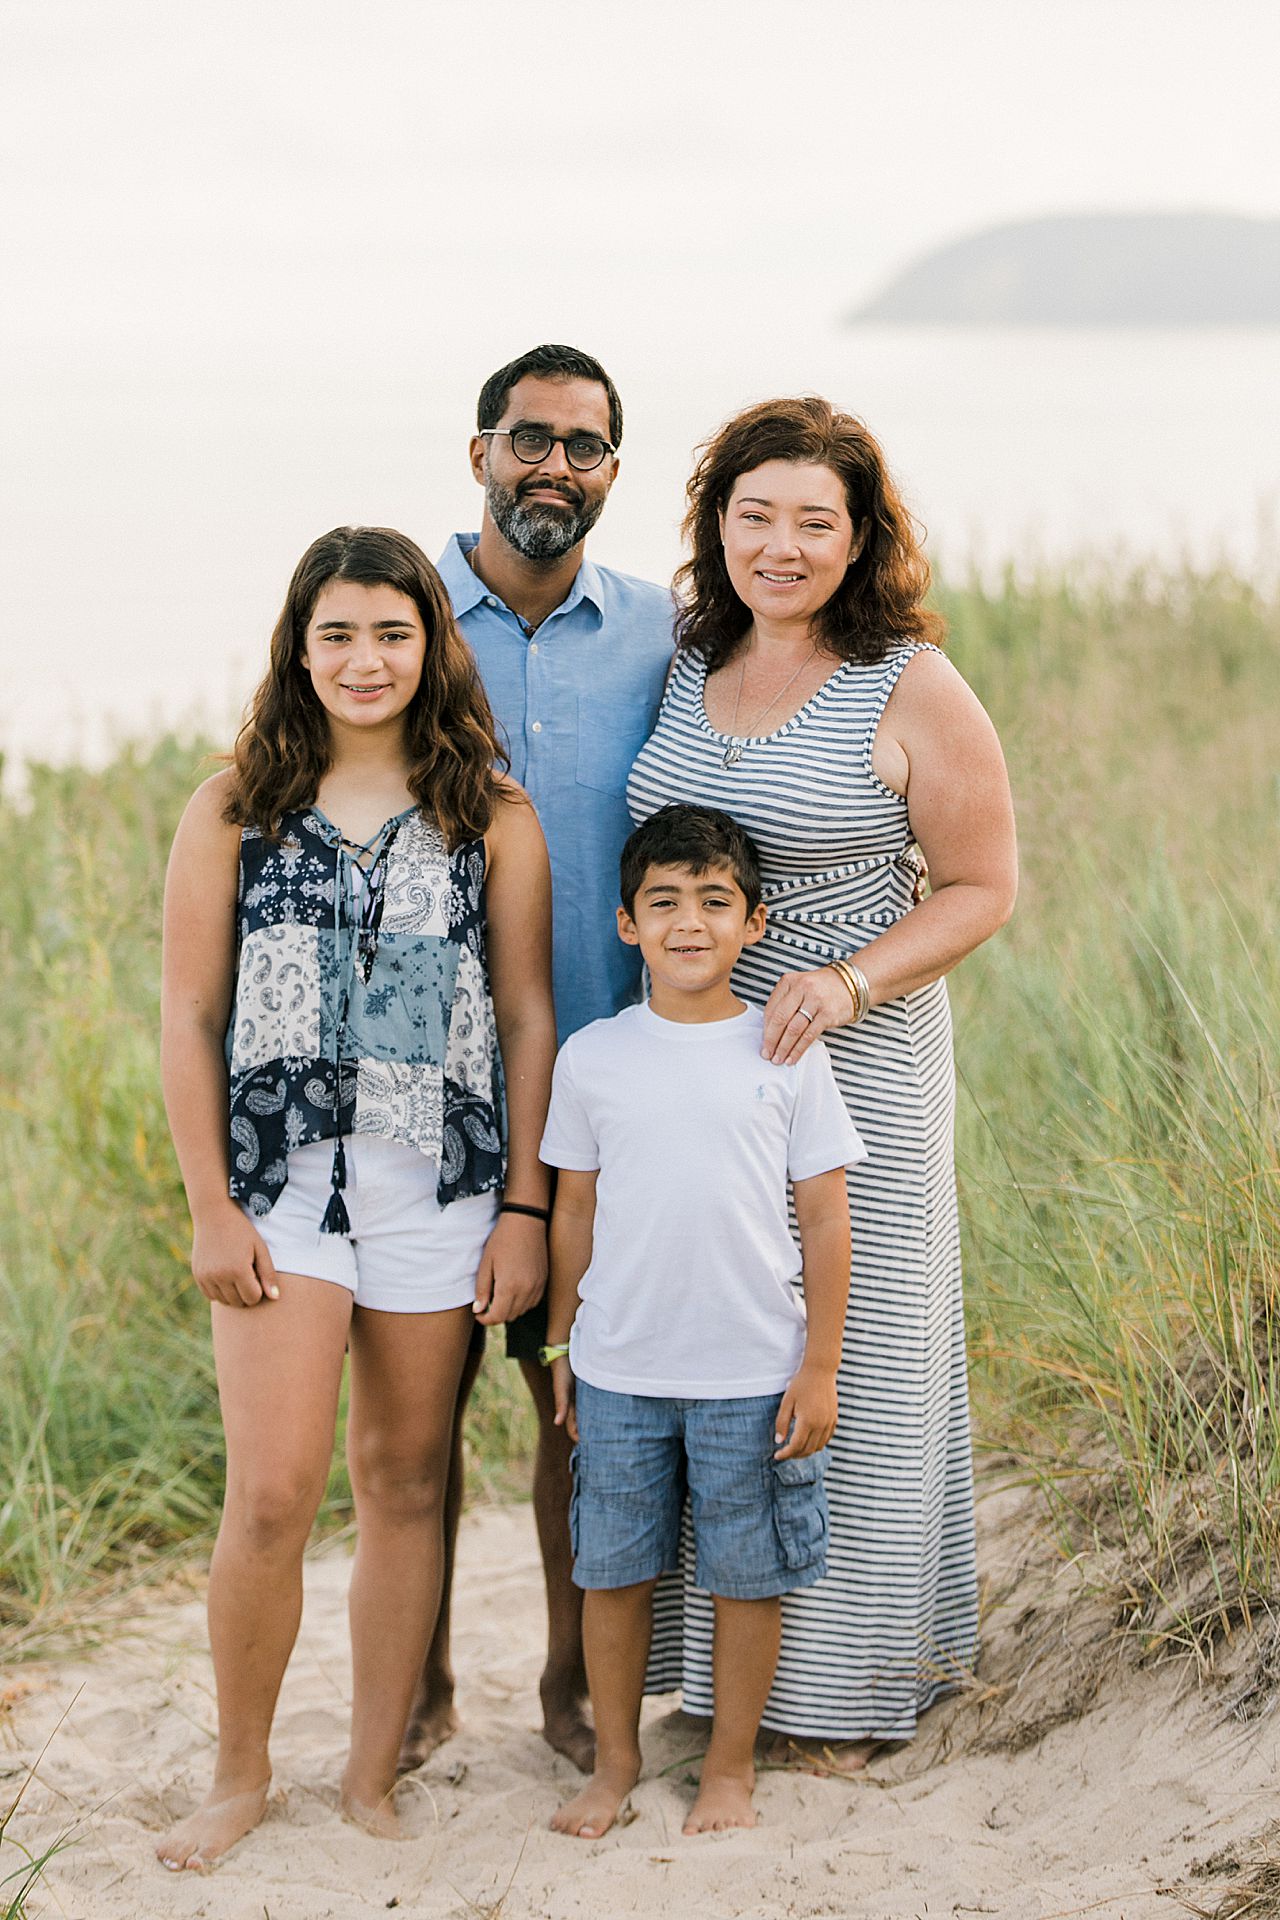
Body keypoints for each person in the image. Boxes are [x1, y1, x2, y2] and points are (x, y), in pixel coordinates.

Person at [156, 526, 555, 1870]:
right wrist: (211, 1204)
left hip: (435, 1184)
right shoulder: (234, 807)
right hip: (280, 1186)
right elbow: (189, 1014)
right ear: (299, 647)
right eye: (338, 633)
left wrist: (524, 1209)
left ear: (431, 645)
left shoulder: (489, 815)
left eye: (392, 632)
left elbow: (525, 1013)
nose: (365, 659)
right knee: (271, 1495)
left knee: (403, 1478)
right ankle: (238, 1774)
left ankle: (372, 1775)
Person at [627, 397, 1018, 1759]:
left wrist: (849, 979)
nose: (781, 546)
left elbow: (983, 887)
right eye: (756, 515)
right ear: (715, 524)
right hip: (701, 1064)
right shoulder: (686, 661)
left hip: (865, 1053)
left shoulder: (906, 681)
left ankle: (845, 1695)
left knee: (857, 1362)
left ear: (860, 541)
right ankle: (716, 1682)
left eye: (815, 521)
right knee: (719, 1345)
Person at [400, 345, 674, 1775]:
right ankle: (425, 1688)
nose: (552, 466)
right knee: (416, 1420)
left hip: (605, 1098)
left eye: (582, 446)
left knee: (579, 1408)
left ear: (614, 472)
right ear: (480, 454)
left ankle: (574, 1689)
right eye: (529, 440)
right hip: (424, 1101)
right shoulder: (398, 617)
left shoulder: (662, 633)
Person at [541, 804, 865, 1838]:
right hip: (619, 1367)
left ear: (754, 923)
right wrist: (558, 1345)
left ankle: (727, 1767)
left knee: (744, 1573)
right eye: (664, 902)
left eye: (714, 901)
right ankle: (615, 1764)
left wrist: (818, 1364)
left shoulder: (784, 1051)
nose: (689, 921)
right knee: (612, 1567)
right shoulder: (593, 1057)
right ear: (628, 924)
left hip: (752, 1372)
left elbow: (823, 1214)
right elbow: (573, 1211)